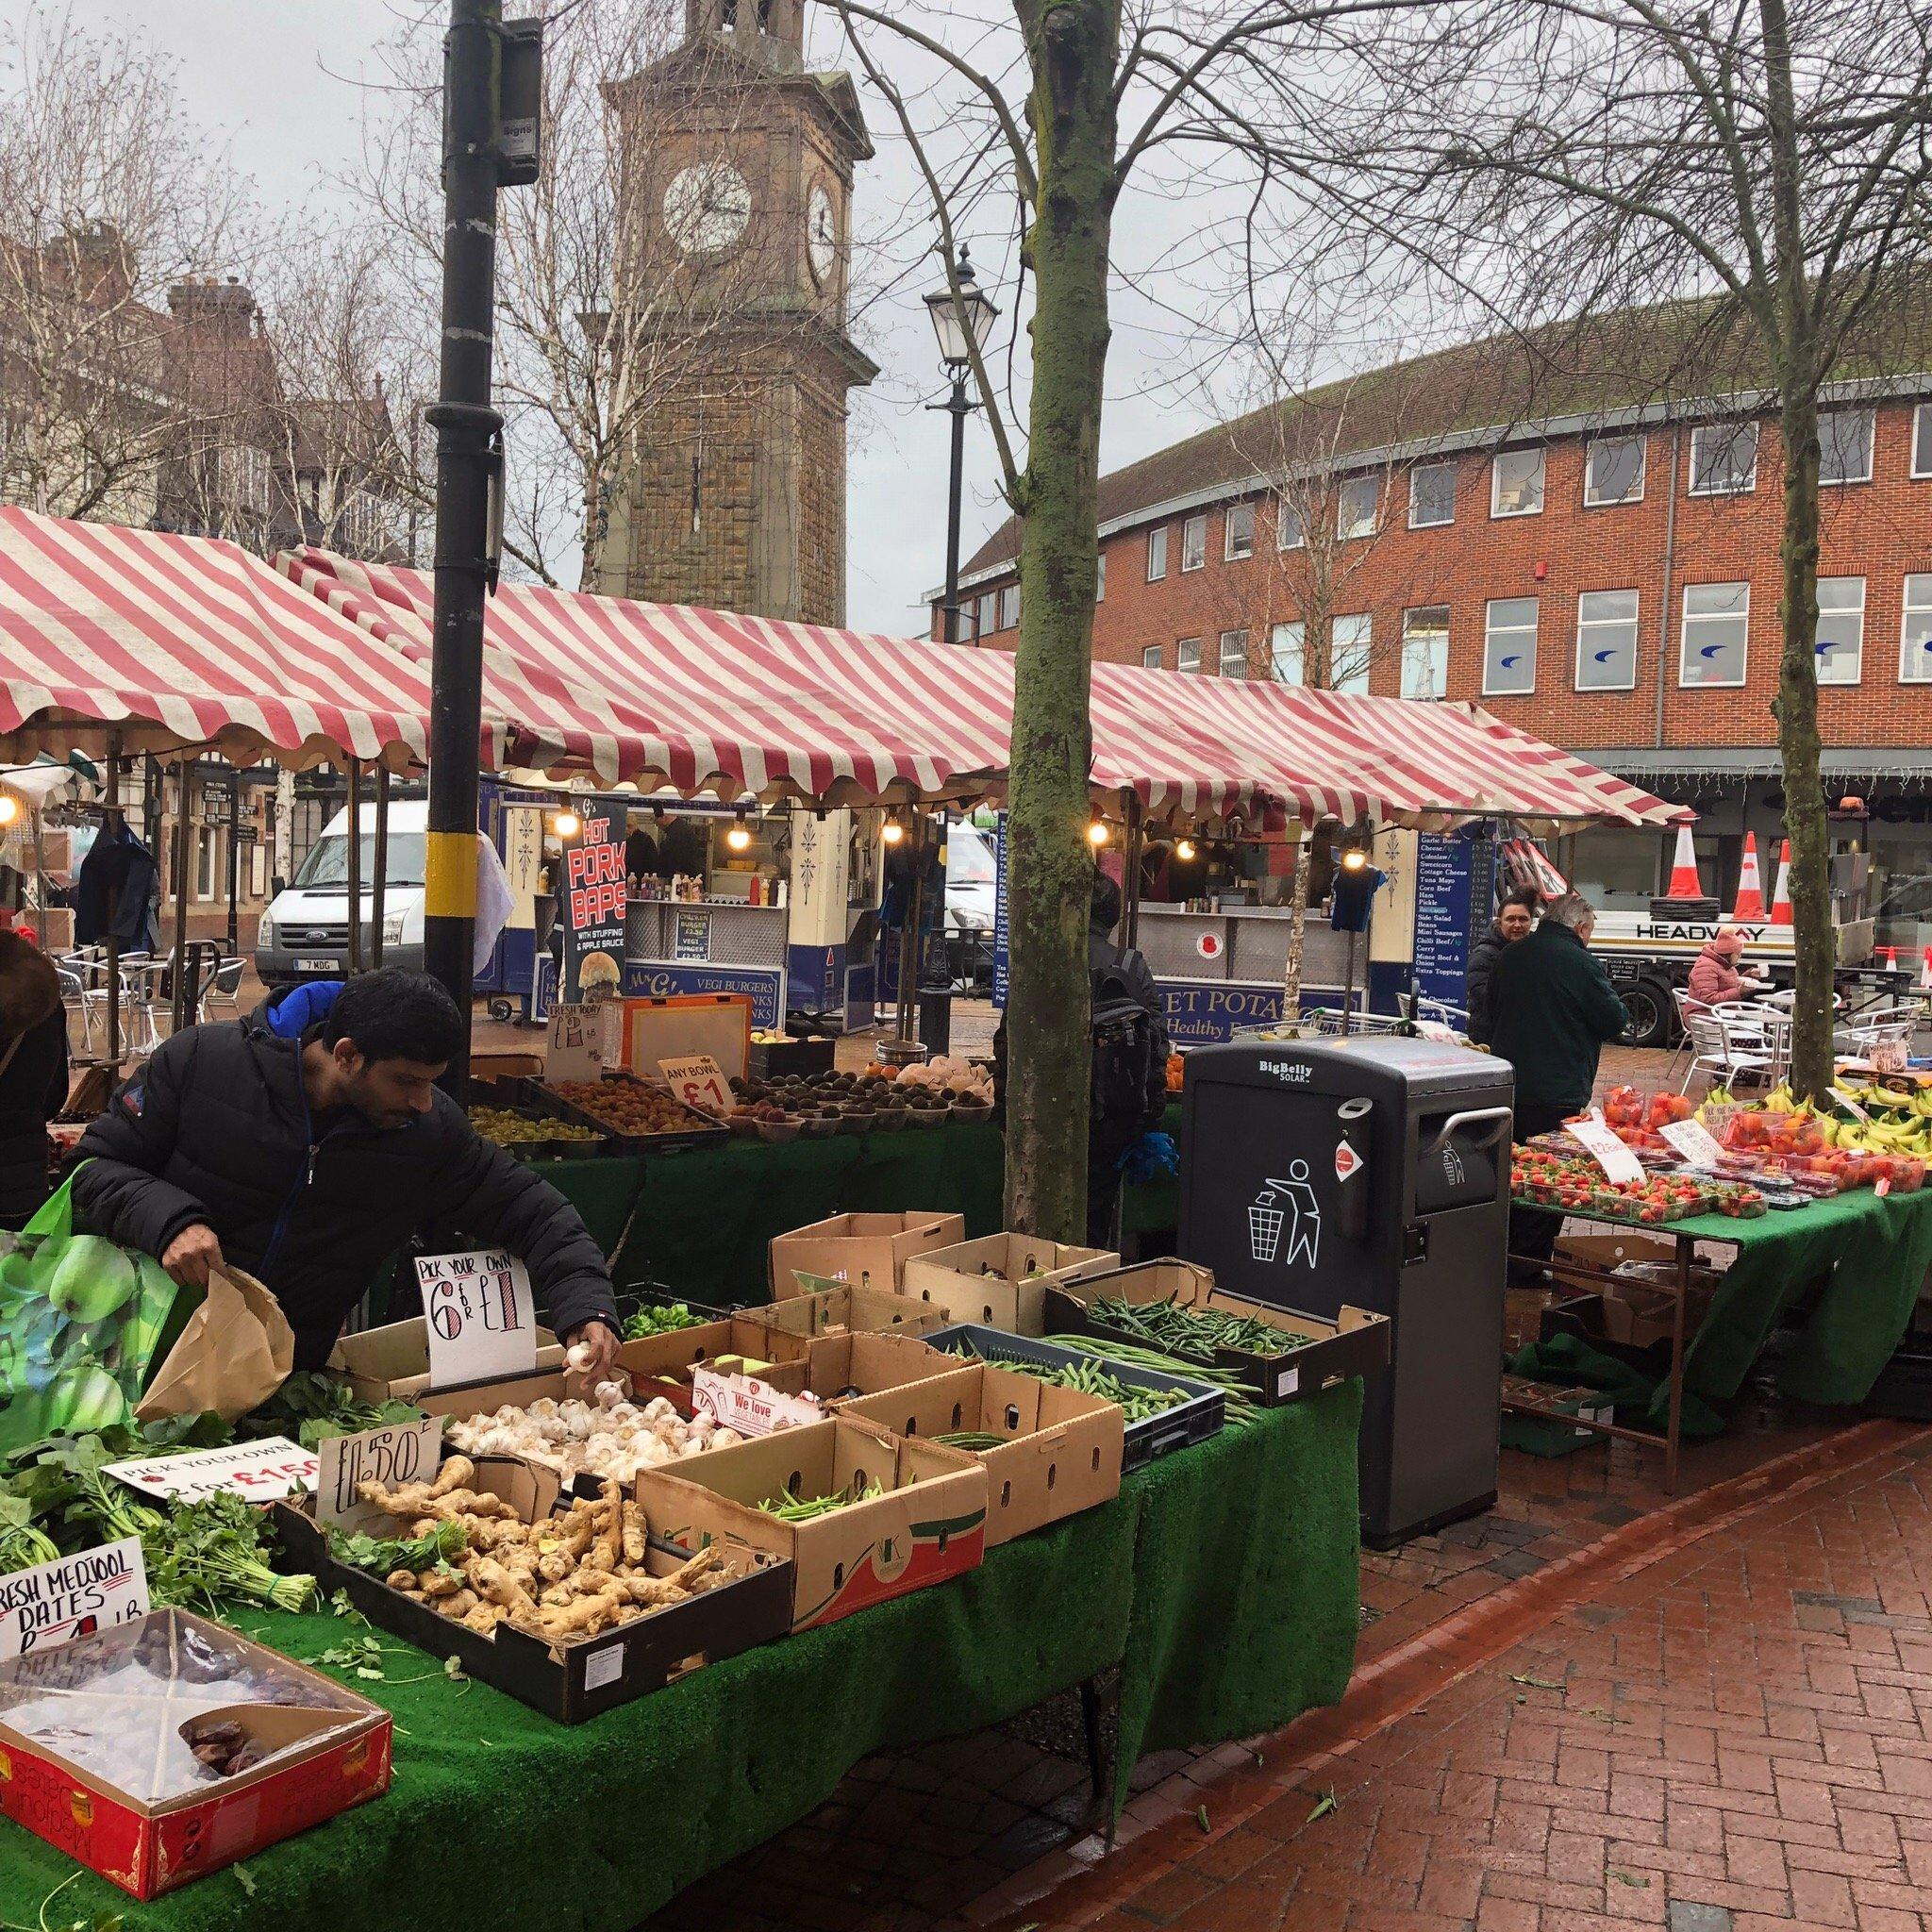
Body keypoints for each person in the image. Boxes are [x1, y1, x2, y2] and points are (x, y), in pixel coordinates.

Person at [71, 968, 622, 1377]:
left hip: (282, 1379)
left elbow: (538, 1214)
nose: (424, 1103)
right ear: (347, 1054)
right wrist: (170, 1222)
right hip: (135, 1361)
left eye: (433, 1083)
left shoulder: (429, 1135)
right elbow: (93, 1170)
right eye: (407, 1082)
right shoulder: (197, 1062)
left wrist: (585, 1308)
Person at [991, 870, 1170, 1250]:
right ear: (1112, 918)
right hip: (1113, 1121)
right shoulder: (1132, 965)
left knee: (1037, 1218)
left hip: (1042, 1113)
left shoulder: (1040, 962)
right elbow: (1157, 1047)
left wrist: (1003, 1111)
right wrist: (1148, 1120)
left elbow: (1008, 1040)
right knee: (1096, 1219)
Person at [1487, 892, 1630, 1274]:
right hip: (1557, 1089)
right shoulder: (1582, 962)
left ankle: (1501, 1260)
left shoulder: (1509, 956)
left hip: (1507, 1084)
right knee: (1547, 1179)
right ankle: (1528, 1269)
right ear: (1581, 928)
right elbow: (1614, 1020)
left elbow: (1488, 1015)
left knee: (1511, 1174)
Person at [0, 931, 68, 1228]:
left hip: (21, 1179)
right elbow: (53, 1100)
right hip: (22, 1187)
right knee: (12, 1268)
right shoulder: (48, 1008)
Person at [1466, 887, 1538, 1046]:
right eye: (1511, 919)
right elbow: (1482, 996)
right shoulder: (1484, 954)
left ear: (1531, 922)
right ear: (1499, 922)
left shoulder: (1537, 950)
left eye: (1523, 919)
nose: (1517, 925)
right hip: (1491, 1039)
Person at [1687, 925, 1769, 1008]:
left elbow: (1728, 984)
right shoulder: (1706, 967)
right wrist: (1738, 991)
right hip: (1704, 1014)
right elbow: (1709, 999)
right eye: (1737, 953)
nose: (1740, 956)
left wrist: (1750, 975)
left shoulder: (1724, 963)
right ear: (1728, 954)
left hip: (1720, 1011)